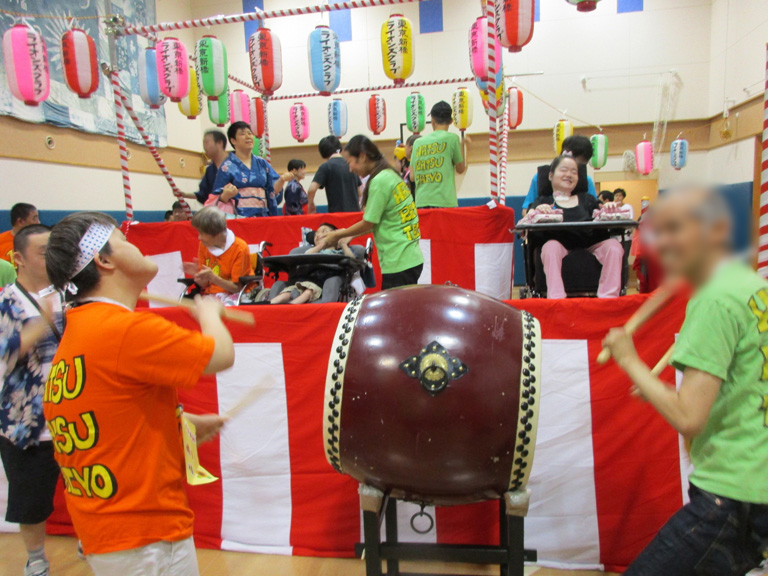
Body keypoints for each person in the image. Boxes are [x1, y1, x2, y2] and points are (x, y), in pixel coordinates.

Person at [43, 212, 235, 576]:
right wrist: (211, 314)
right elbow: (220, 355)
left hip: (108, 529)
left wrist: (179, 422)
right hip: (146, 534)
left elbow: (105, 413)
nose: (135, 243)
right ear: (104, 259)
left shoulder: (80, 332)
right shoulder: (123, 330)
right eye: (122, 239)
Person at [602, 186, 768, 576]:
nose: (667, 241)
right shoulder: (753, 288)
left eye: (681, 229)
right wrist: (654, 386)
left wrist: (630, 360)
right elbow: (743, 386)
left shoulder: (713, 300)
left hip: (732, 492)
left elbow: (689, 416)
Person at [0, 225, 63, 576]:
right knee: (30, 500)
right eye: (42, 251)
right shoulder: (6, 301)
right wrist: (31, 334)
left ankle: (91, 537)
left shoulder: (67, 294)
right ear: (19, 258)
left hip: (70, 411)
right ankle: (36, 557)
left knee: (86, 484)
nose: (50, 257)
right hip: (26, 420)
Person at [323, 135, 424, 290]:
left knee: (395, 313)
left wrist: (337, 235)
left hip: (399, 261)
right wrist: (349, 234)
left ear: (362, 157)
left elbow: (368, 222)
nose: (350, 169)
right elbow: (380, 220)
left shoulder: (380, 181)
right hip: (409, 258)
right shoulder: (390, 175)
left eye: (350, 162)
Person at [531, 155, 624, 299]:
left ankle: (609, 298)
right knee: (550, 247)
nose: (569, 175)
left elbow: (601, 212)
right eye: (564, 170)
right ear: (551, 175)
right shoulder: (544, 201)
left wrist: (609, 208)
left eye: (574, 172)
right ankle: (556, 299)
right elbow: (529, 217)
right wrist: (538, 210)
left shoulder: (588, 199)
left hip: (590, 244)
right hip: (559, 245)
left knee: (614, 246)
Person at [211, 121, 292, 218]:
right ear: (233, 141)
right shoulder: (226, 166)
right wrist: (225, 196)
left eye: (249, 133)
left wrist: (282, 180)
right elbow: (216, 196)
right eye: (242, 134)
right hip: (239, 217)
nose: (248, 136)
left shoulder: (262, 163)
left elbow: (273, 191)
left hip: (263, 216)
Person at [270, 223, 358, 304]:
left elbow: (351, 260)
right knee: (287, 292)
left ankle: (291, 306)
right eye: (316, 234)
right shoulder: (314, 250)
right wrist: (321, 245)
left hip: (322, 281)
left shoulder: (339, 252)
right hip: (304, 279)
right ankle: (269, 304)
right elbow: (306, 256)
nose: (319, 235)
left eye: (324, 231)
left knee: (308, 291)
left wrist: (343, 244)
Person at [184, 207, 253, 300]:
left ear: (217, 234)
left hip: (235, 294)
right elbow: (205, 285)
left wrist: (213, 278)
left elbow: (237, 288)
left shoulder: (239, 248)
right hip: (211, 294)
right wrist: (196, 275)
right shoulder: (203, 245)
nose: (199, 237)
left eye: (202, 233)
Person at [410, 101, 469, 209]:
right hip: (445, 202)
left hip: (421, 202)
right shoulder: (452, 138)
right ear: (451, 121)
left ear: (432, 120)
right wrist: (463, 146)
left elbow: (412, 177)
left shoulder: (417, 143)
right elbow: (461, 169)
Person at [522, 135, 598, 213]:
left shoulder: (587, 182)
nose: (569, 175)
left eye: (580, 167)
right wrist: (537, 213)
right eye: (565, 169)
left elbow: (596, 210)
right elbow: (525, 211)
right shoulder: (539, 179)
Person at [307, 135, 362, 214]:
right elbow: (359, 193)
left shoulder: (326, 166)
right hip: (354, 215)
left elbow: (311, 189)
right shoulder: (350, 164)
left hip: (337, 216)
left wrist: (310, 204)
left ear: (322, 152)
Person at [181, 130, 228, 205]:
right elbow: (203, 194)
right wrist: (184, 195)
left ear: (219, 143)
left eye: (207, 142)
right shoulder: (210, 170)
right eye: (203, 143)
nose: (204, 146)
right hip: (217, 212)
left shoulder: (236, 164)